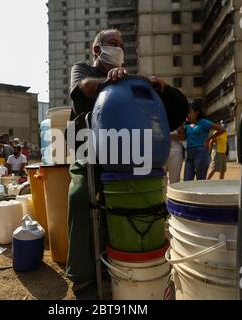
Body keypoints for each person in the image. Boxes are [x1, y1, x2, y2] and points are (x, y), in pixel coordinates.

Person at [67, 28, 189, 297]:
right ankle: (82, 277)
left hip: (129, 154)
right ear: (97, 49)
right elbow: (84, 88)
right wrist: (108, 82)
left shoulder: (130, 80)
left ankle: (128, 262)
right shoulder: (84, 68)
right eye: (113, 43)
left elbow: (178, 109)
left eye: (122, 44)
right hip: (90, 154)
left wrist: (161, 87)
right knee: (79, 197)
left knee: (139, 200)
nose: (119, 48)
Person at [182, 105, 226, 181]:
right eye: (187, 113)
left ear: (197, 113)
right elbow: (182, 137)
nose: (188, 115)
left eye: (190, 112)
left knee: (200, 181)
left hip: (201, 154)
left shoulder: (203, 122)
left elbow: (221, 129)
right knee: (187, 181)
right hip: (189, 155)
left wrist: (208, 139)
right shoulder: (187, 126)